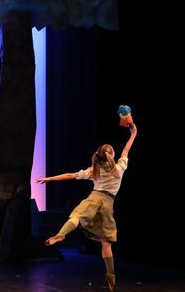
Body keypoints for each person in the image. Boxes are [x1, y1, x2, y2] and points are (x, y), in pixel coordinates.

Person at [37, 123, 138, 292]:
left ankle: (61, 235)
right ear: (112, 155)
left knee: (76, 216)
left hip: (94, 198)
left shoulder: (95, 170)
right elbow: (127, 149)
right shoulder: (119, 168)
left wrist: (50, 178)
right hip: (108, 205)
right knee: (106, 243)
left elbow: (71, 175)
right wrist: (133, 132)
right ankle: (111, 277)